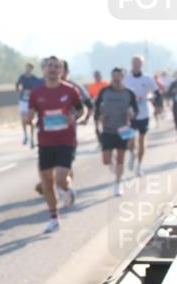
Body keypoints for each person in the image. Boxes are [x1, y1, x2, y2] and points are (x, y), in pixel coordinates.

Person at [28, 56, 84, 233]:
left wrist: (74, 116)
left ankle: (67, 189)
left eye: (56, 66)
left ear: (61, 70)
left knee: (60, 178)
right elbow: (31, 113)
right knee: (46, 181)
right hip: (45, 141)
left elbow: (82, 109)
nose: (53, 69)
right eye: (49, 66)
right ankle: (54, 216)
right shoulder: (36, 93)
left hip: (65, 140)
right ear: (43, 70)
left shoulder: (71, 91)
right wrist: (30, 118)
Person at [94, 68, 138, 196]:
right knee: (106, 161)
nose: (116, 81)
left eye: (119, 78)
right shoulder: (104, 92)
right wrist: (99, 117)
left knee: (121, 159)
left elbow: (135, 110)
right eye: (114, 78)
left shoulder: (129, 93)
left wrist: (132, 114)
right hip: (108, 130)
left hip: (123, 129)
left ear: (123, 78)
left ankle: (118, 184)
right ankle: (113, 162)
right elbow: (97, 107)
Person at [123, 55, 157, 177]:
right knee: (131, 140)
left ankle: (139, 165)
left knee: (142, 141)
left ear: (142, 64)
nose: (136, 65)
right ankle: (132, 154)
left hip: (144, 113)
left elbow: (155, 92)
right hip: (131, 114)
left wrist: (155, 102)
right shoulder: (126, 78)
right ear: (131, 64)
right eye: (134, 62)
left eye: (138, 63)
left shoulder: (147, 78)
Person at [16, 63, 43, 147]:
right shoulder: (22, 77)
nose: (27, 69)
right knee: (23, 118)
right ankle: (25, 135)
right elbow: (17, 85)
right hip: (23, 100)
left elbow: (39, 87)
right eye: (26, 67)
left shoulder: (35, 79)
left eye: (28, 68)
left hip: (31, 101)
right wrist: (19, 91)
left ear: (31, 69)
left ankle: (32, 138)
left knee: (30, 120)